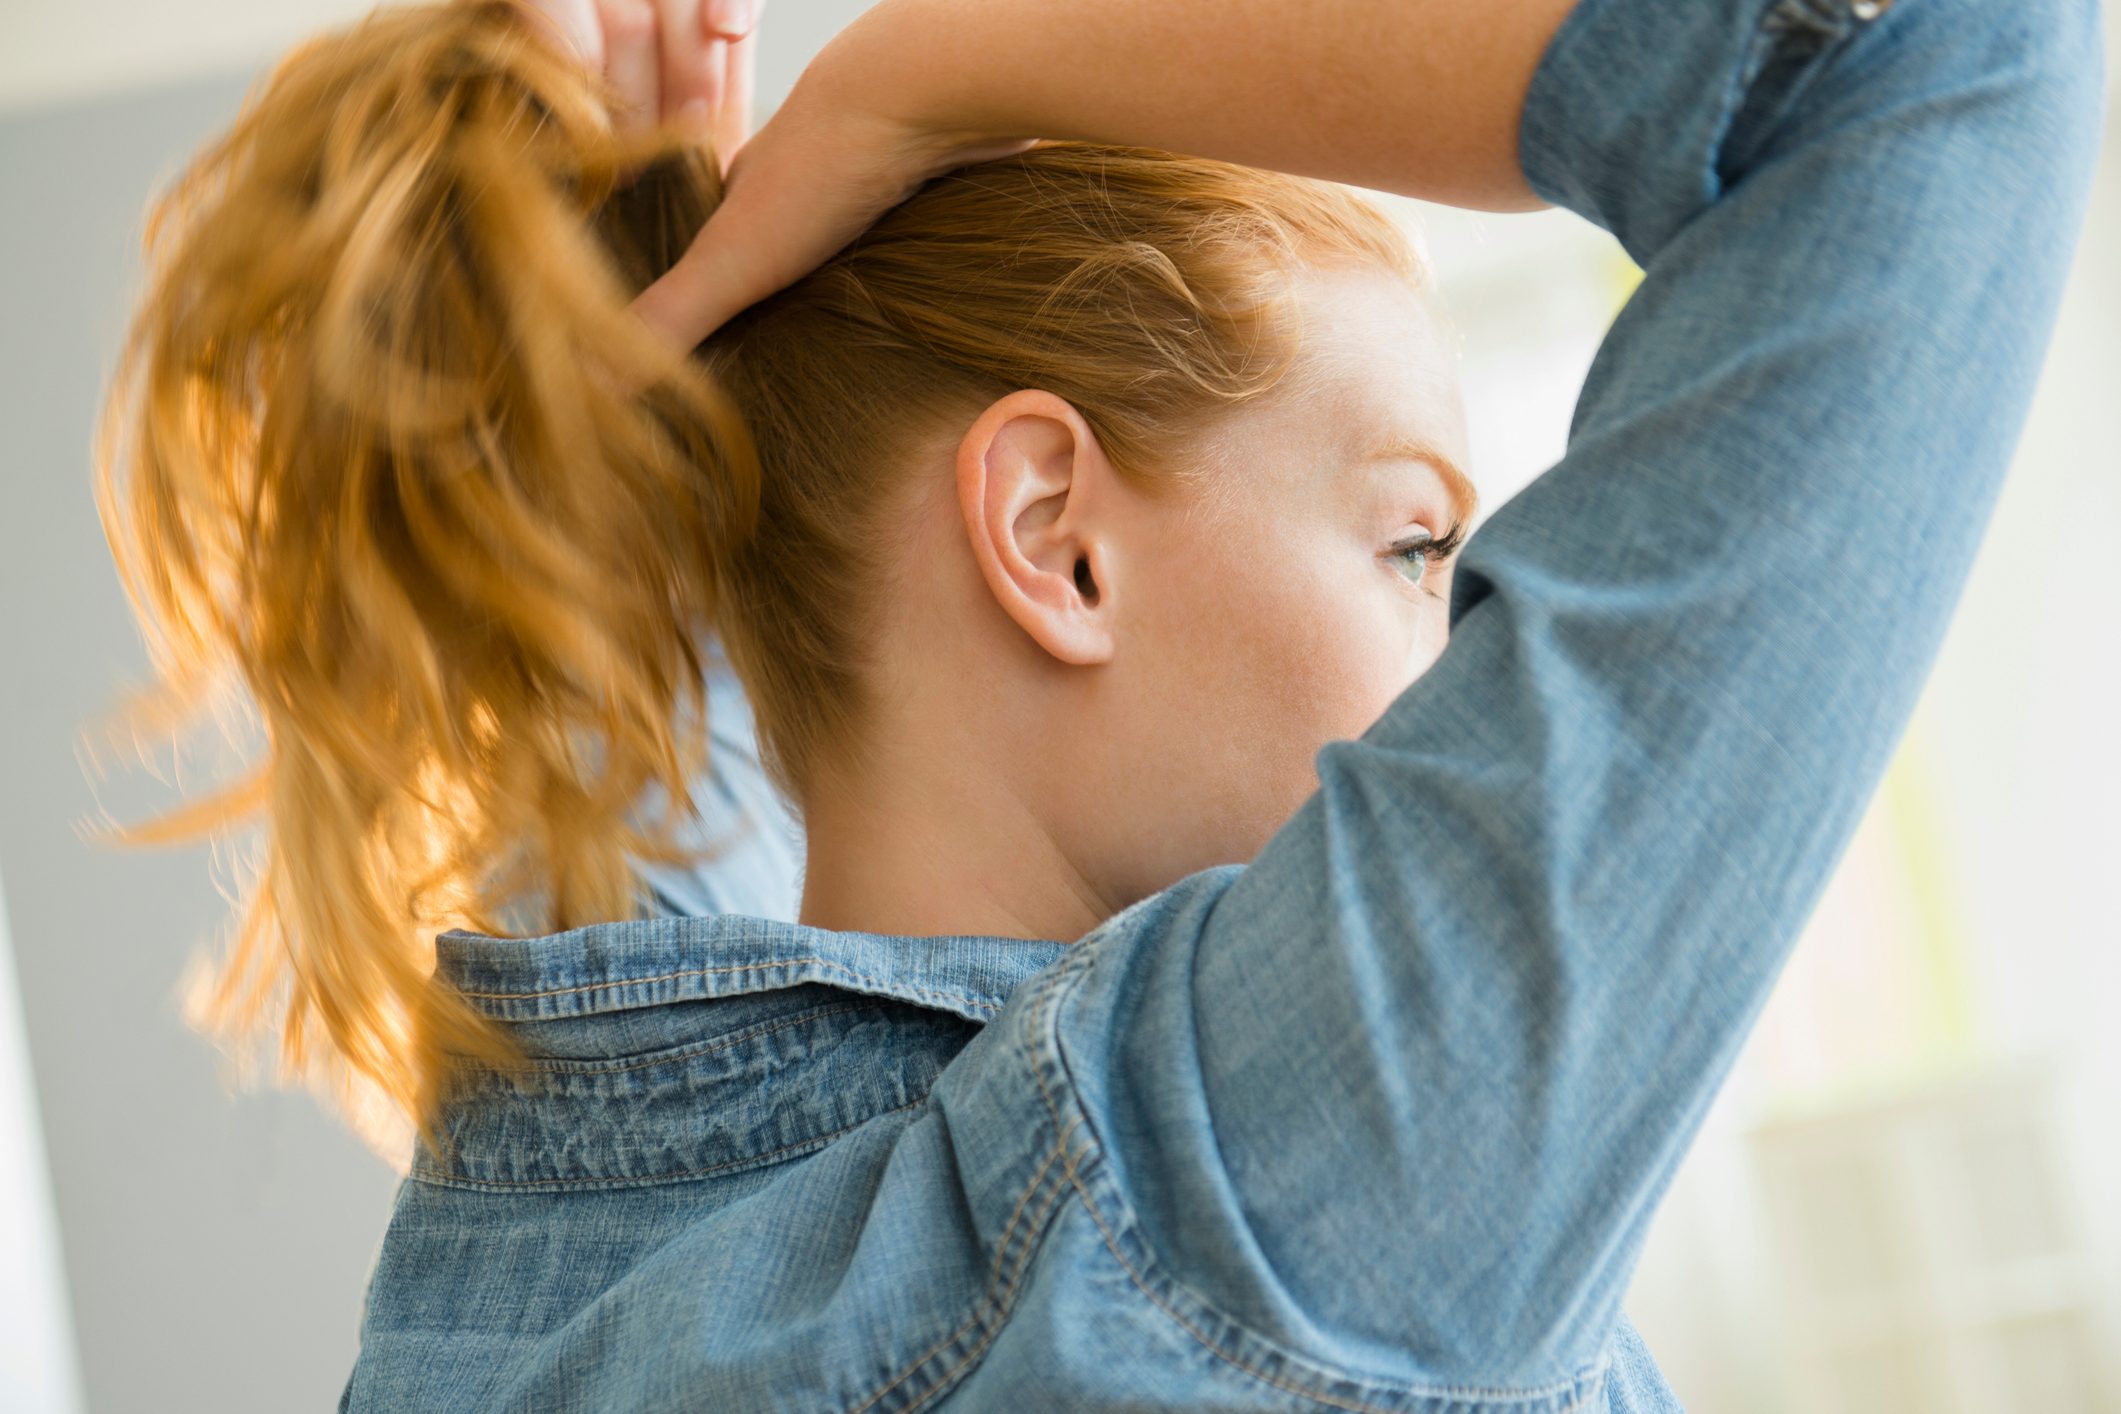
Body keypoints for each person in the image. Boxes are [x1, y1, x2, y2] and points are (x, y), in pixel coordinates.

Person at [87, 0, 2102, 1407]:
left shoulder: (569, 1246)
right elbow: (1926, 37)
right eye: (1415, 543)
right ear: (1049, 534)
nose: (1457, 651)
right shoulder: (1250, 1203)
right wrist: (920, 67)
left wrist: (666, 289)